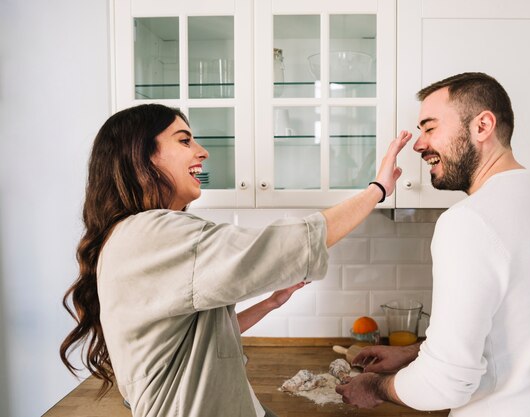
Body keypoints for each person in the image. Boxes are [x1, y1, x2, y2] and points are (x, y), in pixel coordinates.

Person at [59, 103, 411, 417]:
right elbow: (288, 244)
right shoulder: (155, 233)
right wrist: (376, 190)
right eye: (184, 141)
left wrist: (270, 303)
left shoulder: (133, 235)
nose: (202, 152)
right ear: (142, 156)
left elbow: (194, 342)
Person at [336, 72, 530, 417]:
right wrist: (415, 353)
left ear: (482, 126)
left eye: (430, 127)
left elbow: (444, 384)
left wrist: (375, 386)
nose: (419, 144)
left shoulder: (469, 221)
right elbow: (520, 328)